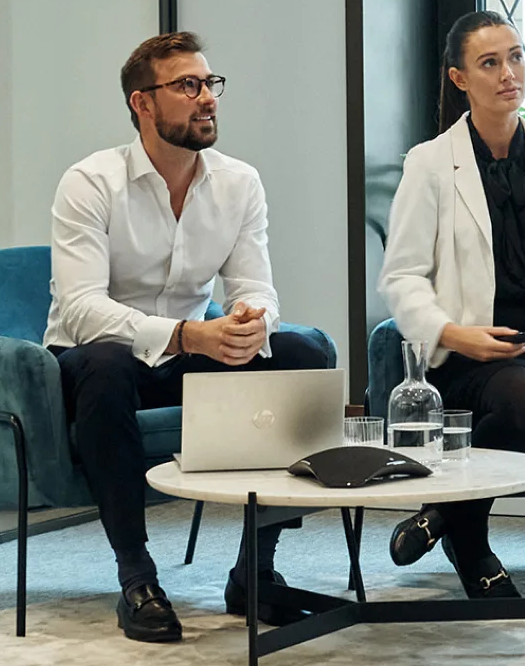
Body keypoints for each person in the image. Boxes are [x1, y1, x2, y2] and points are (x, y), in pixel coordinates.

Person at [43, 32, 329, 643]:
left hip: (190, 352)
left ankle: (257, 567)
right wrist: (186, 335)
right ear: (142, 104)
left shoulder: (239, 182)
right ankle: (137, 577)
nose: (208, 99)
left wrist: (250, 323)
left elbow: (256, 285)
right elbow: (83, 308)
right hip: (94, 360)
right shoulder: (91, 181)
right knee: (108, 367)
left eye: (210, 83)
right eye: (188, 86)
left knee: (302, 353)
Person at [378, 11, 525, 598]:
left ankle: (448, 516)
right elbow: (402, 277)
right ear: (459, 79)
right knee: (519, 396)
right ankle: (473, 547)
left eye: (517, 57)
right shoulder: (429, 163)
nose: (509, 73)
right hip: (474, 355)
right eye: (490, 63)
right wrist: (453, 333)